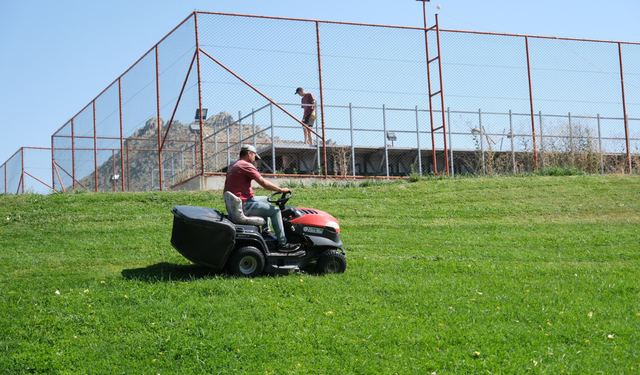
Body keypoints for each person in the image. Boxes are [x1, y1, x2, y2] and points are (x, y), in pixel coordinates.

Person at [224, 144, 301, 252]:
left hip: (239, 203)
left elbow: (225, 188)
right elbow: (263, 183)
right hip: (245, 205)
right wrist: (280, 190)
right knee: (276, 211)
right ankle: (282, 244)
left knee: (265, 199)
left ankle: (266, 231)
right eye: (254, 156)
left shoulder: (233, 165)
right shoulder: (246, 165)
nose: (255, 159)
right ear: (249, 153)